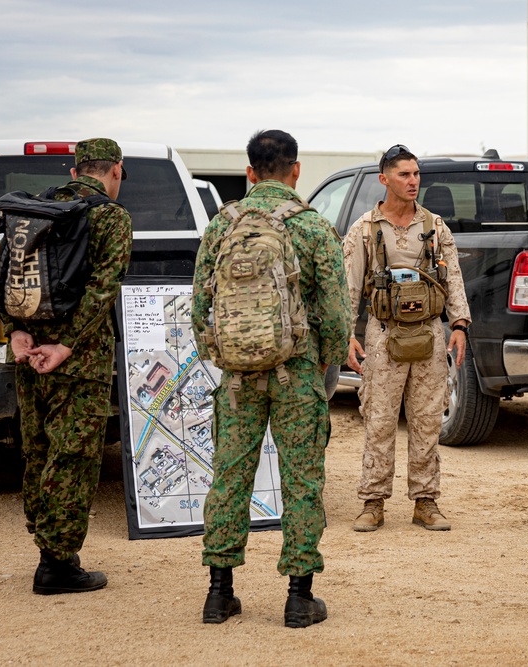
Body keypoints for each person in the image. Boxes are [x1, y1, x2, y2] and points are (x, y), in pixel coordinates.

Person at [191, 129, 350, 628]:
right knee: (302, 482)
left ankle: (219, 595)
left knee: (229, 478)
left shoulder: (222, 225)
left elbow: (200, 305)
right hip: (296, 375)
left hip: (237, 376)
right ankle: (299, 598)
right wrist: (327, 361)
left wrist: (224, 355)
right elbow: (336, 311)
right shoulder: (312, 226)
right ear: (295, 170)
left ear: (250, 172)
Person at [0, 138, 131, 594]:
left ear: (74, 171)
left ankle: (47, 545)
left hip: (29, 356)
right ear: (116, 171)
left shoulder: (32, 212)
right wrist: (67, 344)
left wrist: (16, 332)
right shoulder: (110, 216)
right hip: (78, 361)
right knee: (75, 455)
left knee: (39, 449)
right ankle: (57, 562)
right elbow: (104, 288)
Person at [343, 144, 471, 532]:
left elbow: (453, 279)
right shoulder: (364, 229)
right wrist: (346, 334)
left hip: (430, 333)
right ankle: (373, 502)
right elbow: (348, 285)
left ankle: (426, 502)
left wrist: (460, 324)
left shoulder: (435, 226)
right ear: (384, 179)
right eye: (404, 174)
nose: (413, 181)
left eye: (416, 174)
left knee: (427, 419)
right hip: (383, 334)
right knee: (379, 419)